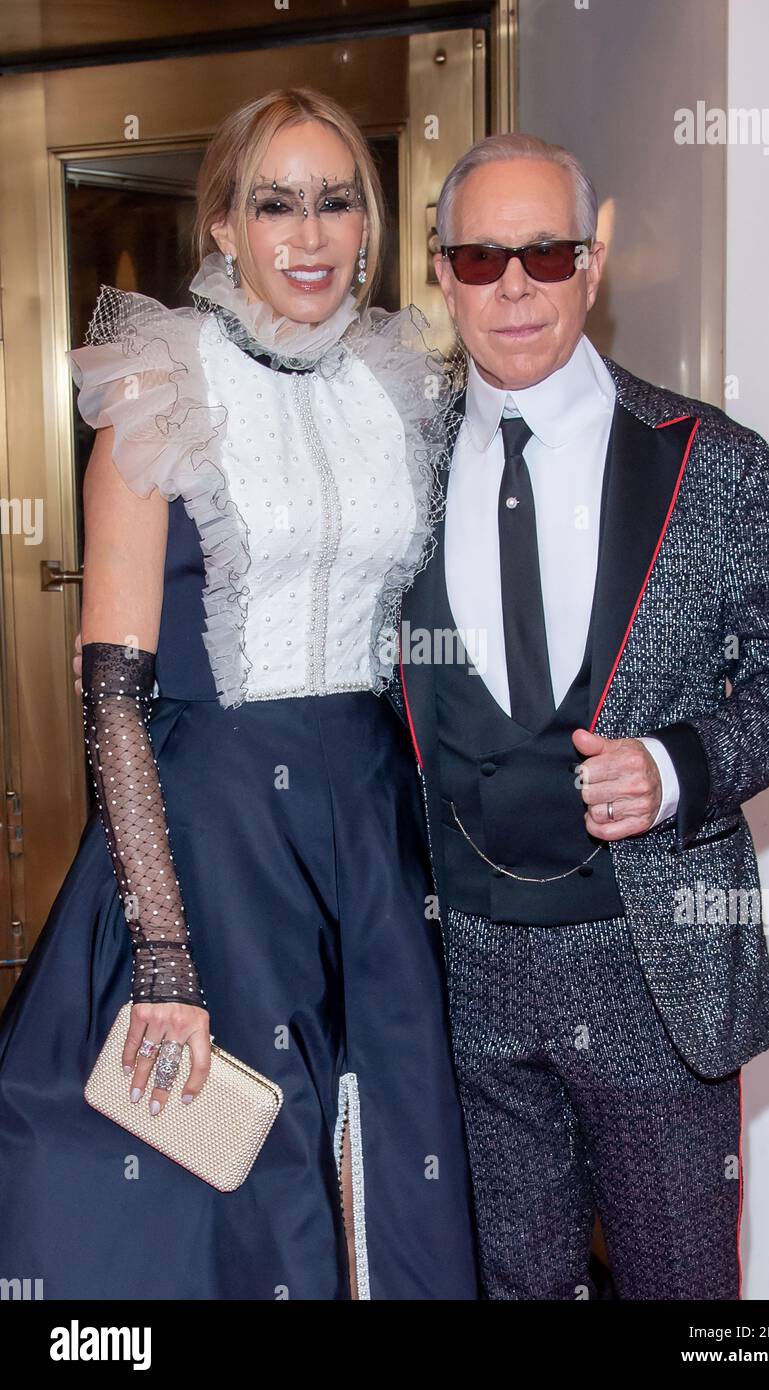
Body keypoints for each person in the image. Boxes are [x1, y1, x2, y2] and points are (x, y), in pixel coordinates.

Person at [0, 88, 479, 1302]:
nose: (307, 235)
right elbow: (111, 693)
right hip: (210, 837)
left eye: (334, 202)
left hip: (372, 824)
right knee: (226, 1179)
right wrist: (162, 949)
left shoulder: (403, 389)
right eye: (274, 203)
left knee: (387, 1149)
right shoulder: (161, 387)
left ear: (368, 226)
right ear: (221, 226)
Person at [389, 133, 769, 1300]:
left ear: (595, 259)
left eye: (544, 252)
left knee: (681, 1288)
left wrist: (677, 763)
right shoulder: (395, 464)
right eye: (481, 257)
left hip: (652, 971)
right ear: (440, 270)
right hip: (461, 968)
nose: (515, 287)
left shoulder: (711, 461)